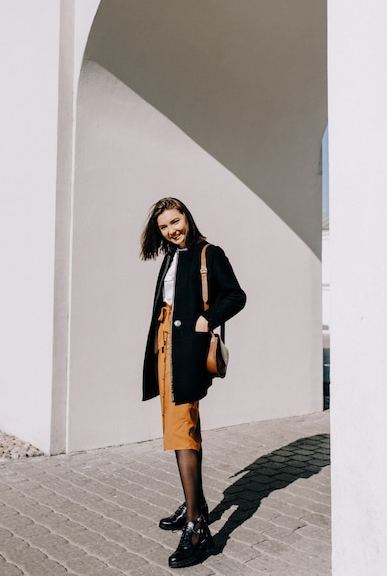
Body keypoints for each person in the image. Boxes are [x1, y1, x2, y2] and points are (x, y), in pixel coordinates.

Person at [141, 197, 246, 569]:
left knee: (182, 429)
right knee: (179, 427)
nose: (171, 230)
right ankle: (194, 505)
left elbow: (236, 295)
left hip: (186, 351)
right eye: (164, 227)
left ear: (187, 216)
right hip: (166, 347)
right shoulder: (170, 256)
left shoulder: (209, 253)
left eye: (175, 221)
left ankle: (197, 527)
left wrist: (208, 319)